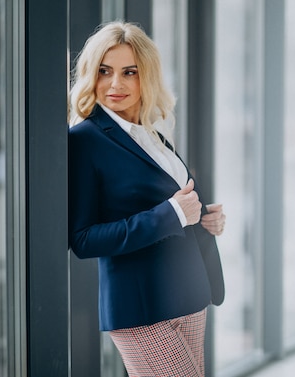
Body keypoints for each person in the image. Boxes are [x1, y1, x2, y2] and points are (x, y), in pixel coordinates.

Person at [67, 20, 226, 377]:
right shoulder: (84, 140)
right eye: (105, 71)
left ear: (147, 77)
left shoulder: (151, 133)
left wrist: (203, 220)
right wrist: (171, 213)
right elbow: (82, 238)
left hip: (189, 293)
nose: (115, 84)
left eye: (129, 72)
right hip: (141, 307)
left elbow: (175, 208)